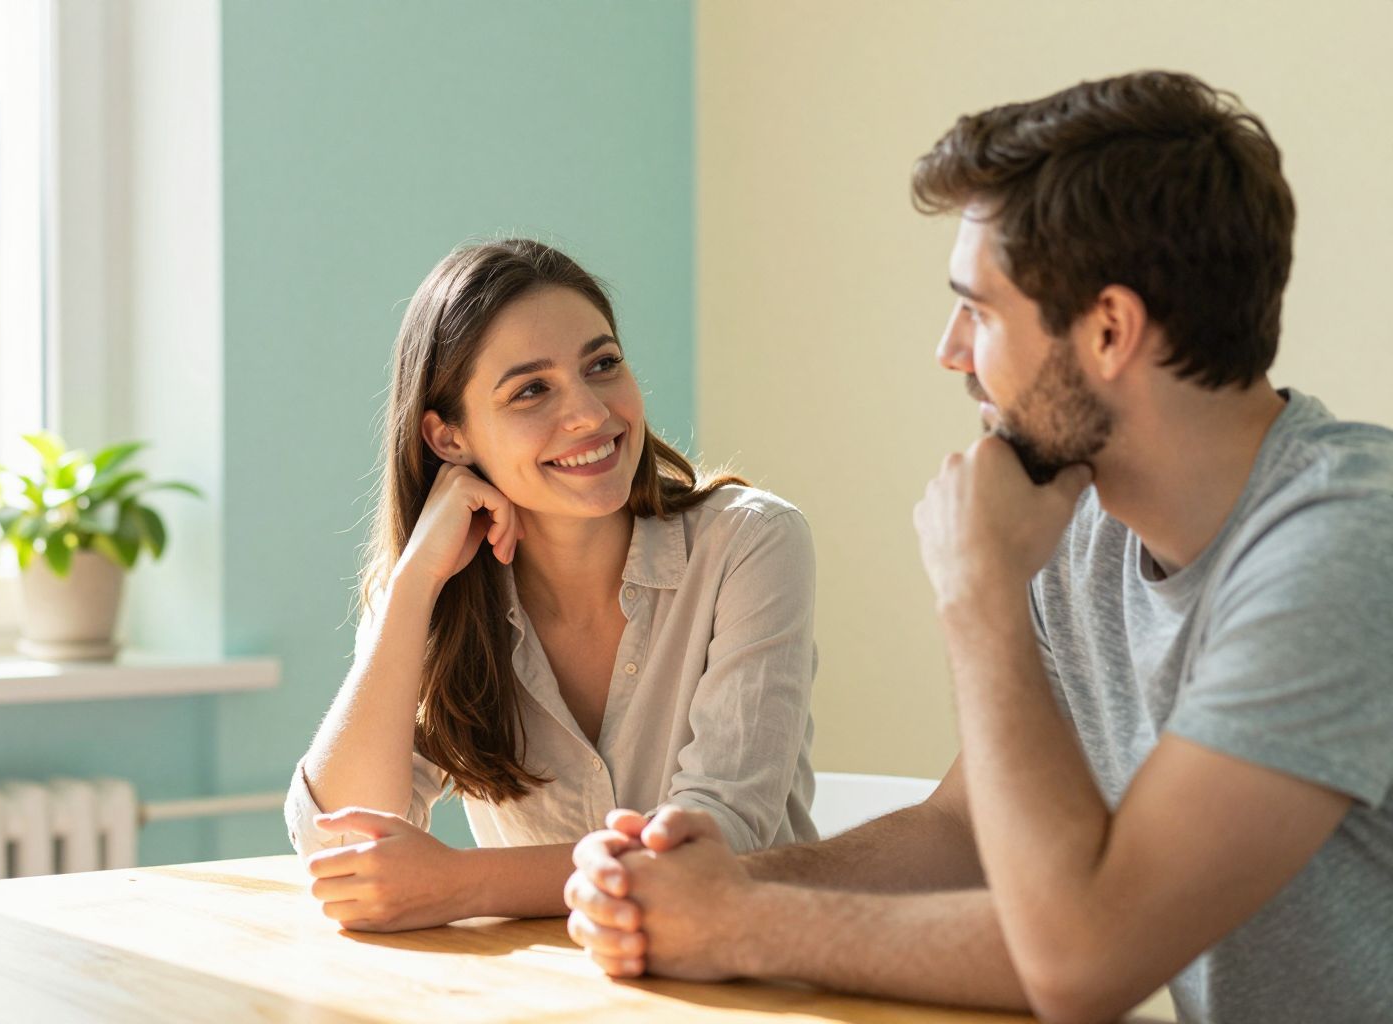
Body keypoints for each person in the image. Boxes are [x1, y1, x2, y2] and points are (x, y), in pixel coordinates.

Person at [563, 71, 1393, 1024]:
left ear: (1111, 329)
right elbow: (960, 835)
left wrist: (979, 590)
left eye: (980, 309)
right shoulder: (1085, 526)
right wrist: (706, 884)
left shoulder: (1343, 549)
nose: (951, 350)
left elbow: (1084, 962)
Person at [285, 239, 819, 931]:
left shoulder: (749, 544)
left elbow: (711, 840)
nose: (592, 415)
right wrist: (414, 583)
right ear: (448, 438)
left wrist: (462, 885)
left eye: (602, 365)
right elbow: (341, 849)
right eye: (531, 390)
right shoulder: (433, 594)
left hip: (745, 981)